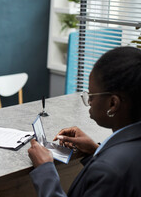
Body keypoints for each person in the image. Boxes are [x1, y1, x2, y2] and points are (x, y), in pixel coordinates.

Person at [28, 46, 141, 197]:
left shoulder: (109, 169)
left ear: (113, 104)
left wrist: (45, 169)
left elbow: (113, 175)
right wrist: (95, 151)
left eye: (92, 95)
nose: (88, 101)